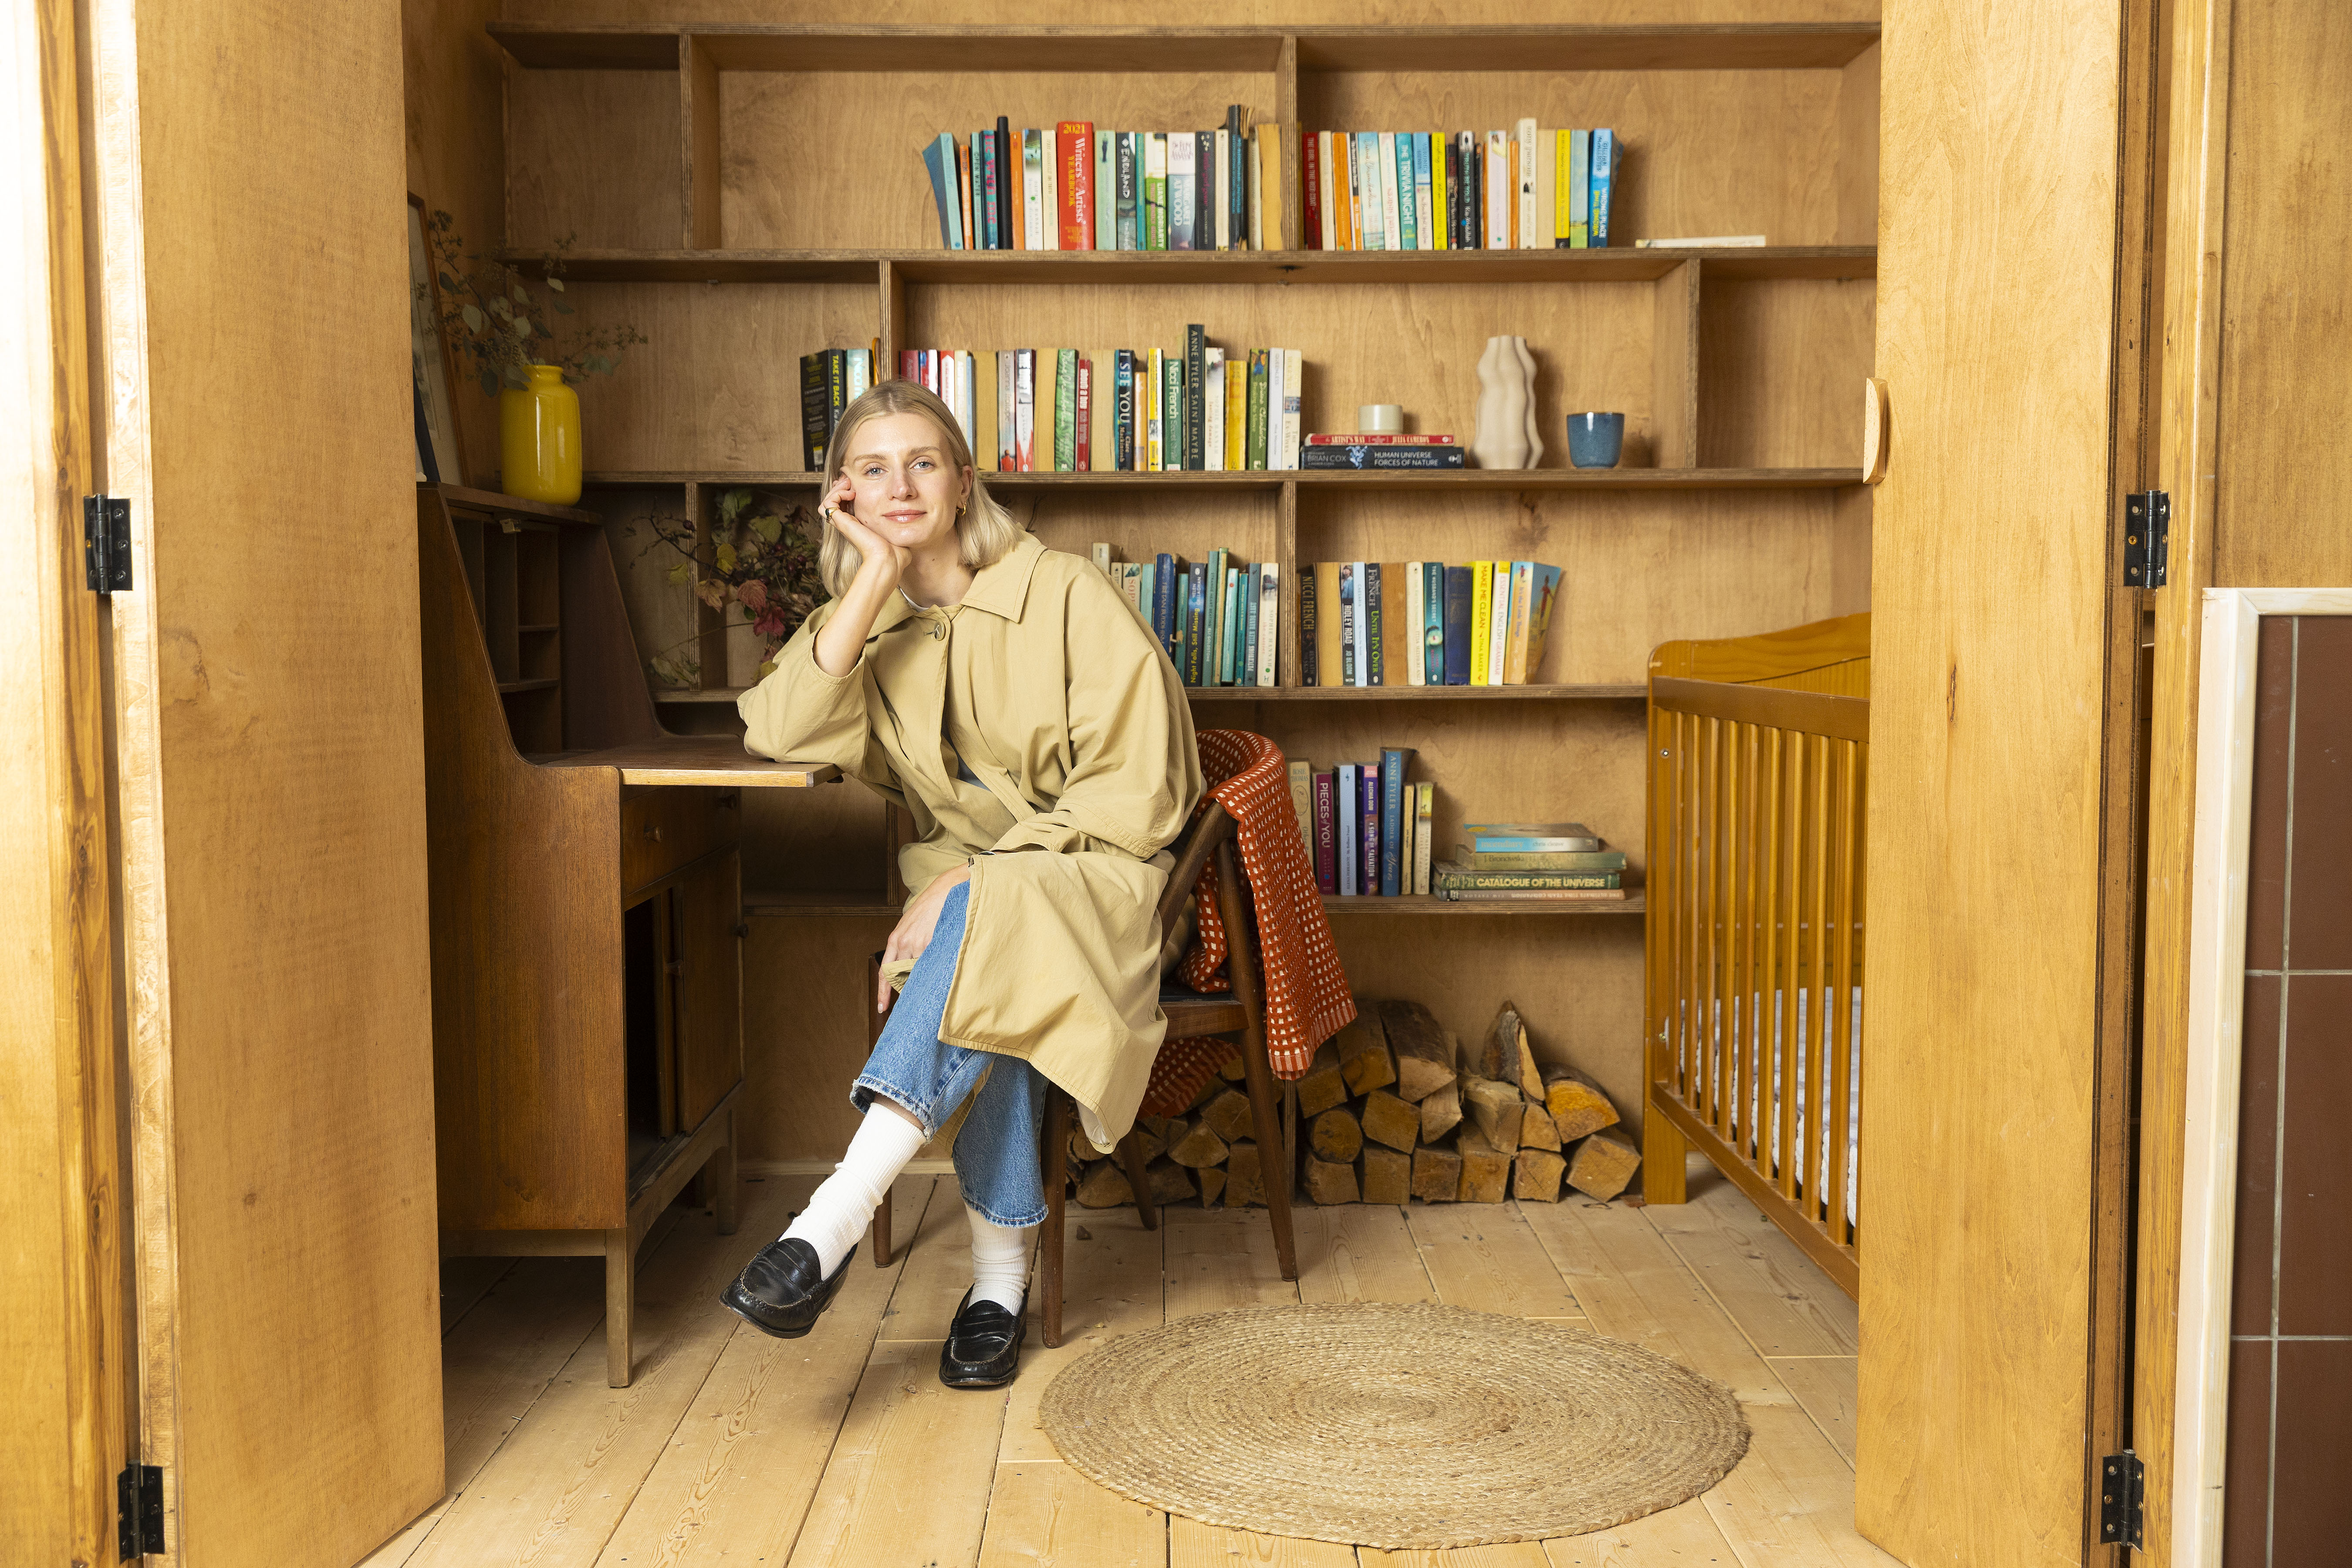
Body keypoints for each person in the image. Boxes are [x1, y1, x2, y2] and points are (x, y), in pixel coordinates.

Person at [721, 380, 1201, 1388]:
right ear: (843, 496)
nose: (901, 486)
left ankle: (830, 1222)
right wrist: (872, 576)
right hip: (979, 896)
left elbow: (1141, 787)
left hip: (1106, 880)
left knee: (997, 922)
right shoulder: (876, 624)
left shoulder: (1065, 591)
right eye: (873, 470)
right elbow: (777, 731)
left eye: (923, 463)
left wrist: (980, 878)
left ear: (964, 482)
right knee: (999, 951)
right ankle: (996, 1283)